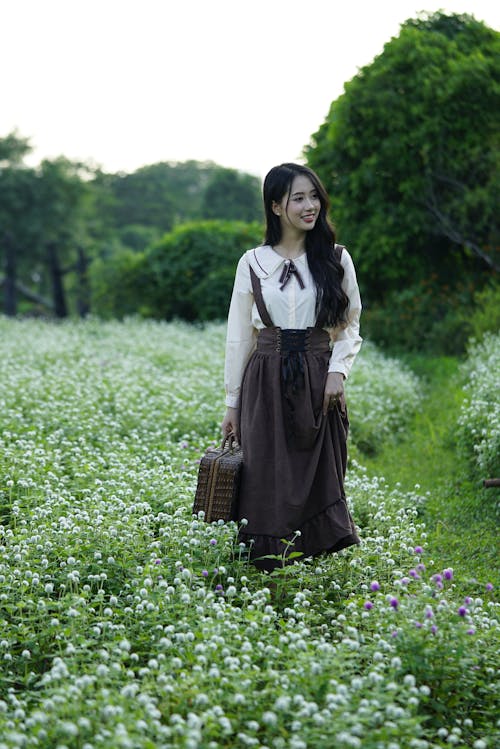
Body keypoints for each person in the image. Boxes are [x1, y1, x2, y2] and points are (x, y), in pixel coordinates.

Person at [221, 163, 362, 571]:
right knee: (265, 470)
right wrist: (232, 403)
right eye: (298, 198)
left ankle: (312, 561)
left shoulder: (335, 258)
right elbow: (239, 337)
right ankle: (267, 565)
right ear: (276, 206)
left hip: (319, 375)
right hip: (265, 376)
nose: (310, 205)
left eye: (314, 196)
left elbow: (350, 324)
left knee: (320, 470)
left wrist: (338, 371)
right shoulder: (253, 262)